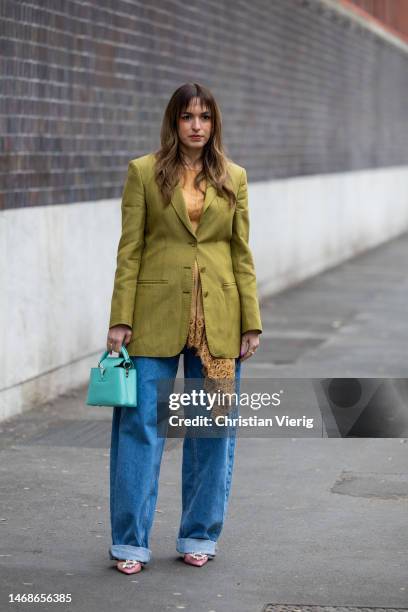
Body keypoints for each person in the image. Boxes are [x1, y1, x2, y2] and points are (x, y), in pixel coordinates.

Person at [106, 82, 262, 575]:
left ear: (215, 124)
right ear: (173, 122)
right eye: (187, 117)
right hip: (152, 315)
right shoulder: (144, 173)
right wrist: (120, 317)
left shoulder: (233, 177)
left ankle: (199, 533)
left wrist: (251, 322)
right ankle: (130, 542)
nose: (196, 126)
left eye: (205, 117)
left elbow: (241, 252)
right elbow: (129, 248)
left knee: (211, 431)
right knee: (141, 429)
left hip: (219, 318)